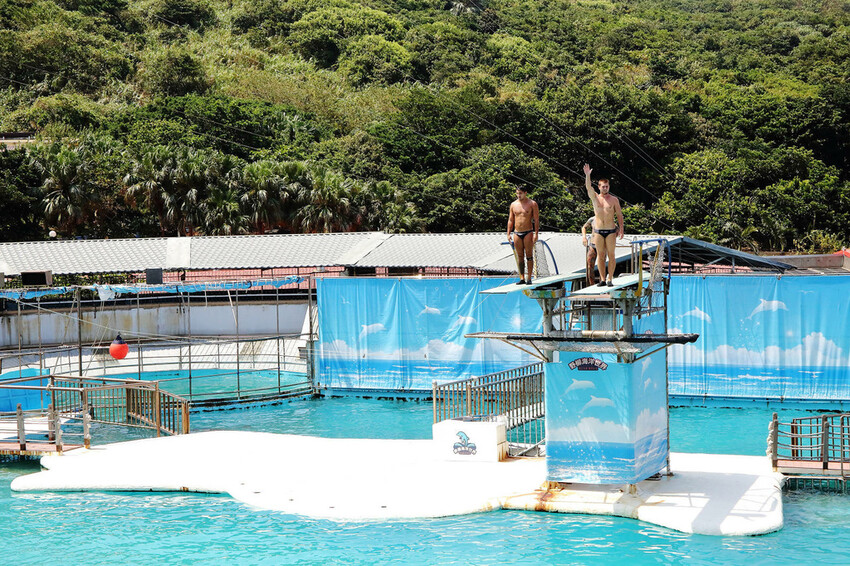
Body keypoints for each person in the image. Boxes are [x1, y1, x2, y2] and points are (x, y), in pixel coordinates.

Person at [584, 163, 624, 287]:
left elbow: (619, 215)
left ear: (609, 187)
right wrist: (587, 176)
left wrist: (621, 229)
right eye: (603, 186)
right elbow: (588, 187)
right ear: (599, 187)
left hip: (611, 230)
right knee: (601, 255)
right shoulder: (595, 198)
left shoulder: (614, 200)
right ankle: (602, 279)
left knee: (611, 255)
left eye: (607, 186)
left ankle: (610, 279)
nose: (605, 188)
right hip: (598, 231)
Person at [506, 186, 539, 285]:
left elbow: (536, 219)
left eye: (520, 193)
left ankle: (529, 277)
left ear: (525, 193)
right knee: (520, 256)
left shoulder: (532, 204)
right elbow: (511, 219)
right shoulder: (513, 205)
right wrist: (508, 233)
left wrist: (536, 233)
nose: (518, 195)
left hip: (528, 232)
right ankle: (522, 278)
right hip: (517, 232)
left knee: (529, 255)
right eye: (517, 193)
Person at [581, 216, 597, 287]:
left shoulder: (607, 218)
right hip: (593, 244)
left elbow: (615, 228)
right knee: (590, 265)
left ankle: (604, 282)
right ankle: (591, 284)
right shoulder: (592, 219)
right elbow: (584, 227)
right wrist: (584, 237)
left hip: (603, 246)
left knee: (602, 265)